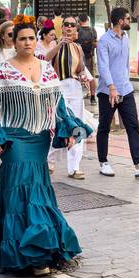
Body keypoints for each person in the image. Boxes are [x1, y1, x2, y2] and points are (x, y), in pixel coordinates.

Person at [0, 21, 90, 274]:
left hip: (39, 137)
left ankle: (38, 251)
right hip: (14, 137)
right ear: (14, 42)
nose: (27, 42)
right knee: (17, 185)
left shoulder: (47, 69)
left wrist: (67, 131)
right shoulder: (3, 71)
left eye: (31, 38)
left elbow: (58, 106)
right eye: (21, 38)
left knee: (35, 187)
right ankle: (24, 253)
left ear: (36, 41)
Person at [95, 7, 139, 179]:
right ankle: (104, 162)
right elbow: (103, 66)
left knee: (133, 125)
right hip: (108, 91)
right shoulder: (104, 41)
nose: (130, 21)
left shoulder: (126, 38)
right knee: (104, 126)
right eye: (128, 18)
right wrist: (111, 87)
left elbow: (122, 65)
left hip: (126, 89)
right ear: (120, 21)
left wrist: (125, 82)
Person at [51, 16, 95, 179]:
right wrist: (59, 45)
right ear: (61, 28)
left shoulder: (77, 48)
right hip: (58, 87)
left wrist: (84, 77)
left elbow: (81, 69)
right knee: (58, 123)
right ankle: (50, 160)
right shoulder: (54, 44)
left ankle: (74, 167)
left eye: (72, 25)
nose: (69, 27)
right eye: (66, 25)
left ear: (76, 29)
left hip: (74, 87)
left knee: (78, 124)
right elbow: (45, 61)